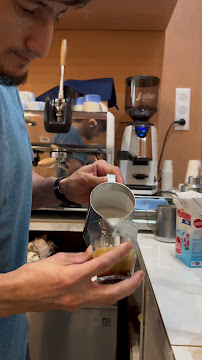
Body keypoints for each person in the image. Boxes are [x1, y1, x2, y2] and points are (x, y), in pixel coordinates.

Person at [0, 0, 145, 359]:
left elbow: (9, 186)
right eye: (28, 7)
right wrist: (12, 294)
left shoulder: (6, 86)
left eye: (57, 15)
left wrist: (61, 189)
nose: (44, 45)